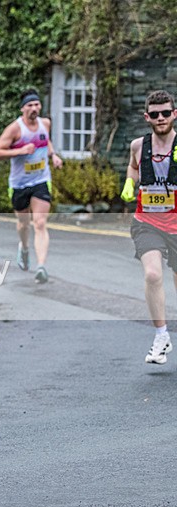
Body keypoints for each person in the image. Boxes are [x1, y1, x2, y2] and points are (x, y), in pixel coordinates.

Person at [122, 90, 177, 365]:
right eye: (155, 114)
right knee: (153, 275)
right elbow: (133, 167)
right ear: (147, 117)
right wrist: (130, 182)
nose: (161, 118)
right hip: (147, 222)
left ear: (174, 114)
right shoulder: (138, 146)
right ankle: (160, 336)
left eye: (166, 112)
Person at [0, 88, 63, 283]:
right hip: (19, 183)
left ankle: (41, 266)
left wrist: (53, 155)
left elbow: (46, 142)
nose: (34, 108)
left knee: (39, 223)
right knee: (23, 224)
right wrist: (19, 151)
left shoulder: (45, 124)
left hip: (41, 180)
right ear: (22, 109)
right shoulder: (15, 129)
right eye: (29, 105)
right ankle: (24, 248)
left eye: (36, 104)